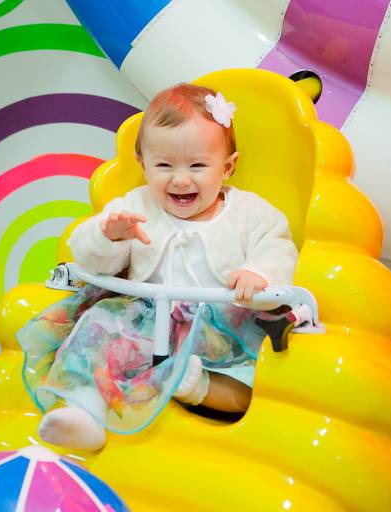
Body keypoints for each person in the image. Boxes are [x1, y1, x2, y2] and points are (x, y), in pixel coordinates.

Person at [19, 83, 298, 451]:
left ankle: (197, 388)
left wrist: (259, 274)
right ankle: (84, 411)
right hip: (145, 326)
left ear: (228, 167)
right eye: (164, 165)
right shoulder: (136, 206)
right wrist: (111, 236)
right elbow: (90, 258)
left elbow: (279, 250)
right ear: (143, 165)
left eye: (197, 165)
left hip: (219, 333)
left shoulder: (251, 214)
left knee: (253, 381)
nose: (180, 179)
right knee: (99, 327)